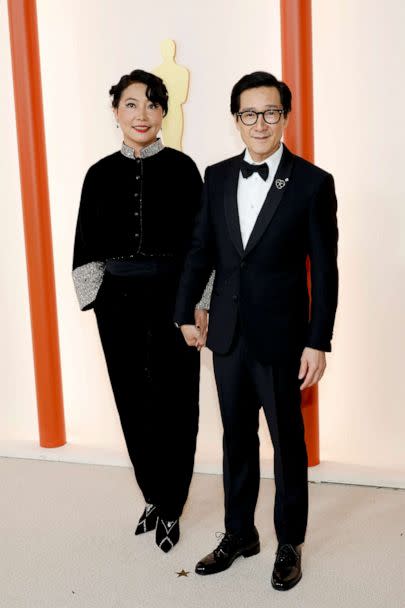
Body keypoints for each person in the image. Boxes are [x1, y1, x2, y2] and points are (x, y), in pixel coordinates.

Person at [174, 71, 338, 589]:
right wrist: (184, 310)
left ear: (285, 117)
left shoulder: (313, 182)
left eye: (270, 112)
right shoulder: (217, 176)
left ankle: (289, 540)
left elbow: (326, 270)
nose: (260, 123)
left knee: (288, 442)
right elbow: (202, 249)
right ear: (235, 121)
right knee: (236, 438)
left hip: (284, 338)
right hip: (226, 334)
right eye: (249, 113)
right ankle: (239, 533)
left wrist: (318, 339)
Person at [73, 69, 210, 553]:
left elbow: (203, 245)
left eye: (153, 105)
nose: (142, 115)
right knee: (132, 401)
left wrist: (199, 304)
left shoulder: (184, 169)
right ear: (116, 112)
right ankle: (152, 494)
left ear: (164, 114)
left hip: (175, 303)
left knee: (178, 403)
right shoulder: (98, 174)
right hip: (119, 306)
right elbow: (85, 245)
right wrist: (97, 303)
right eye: (131, 104)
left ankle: (173, 505)